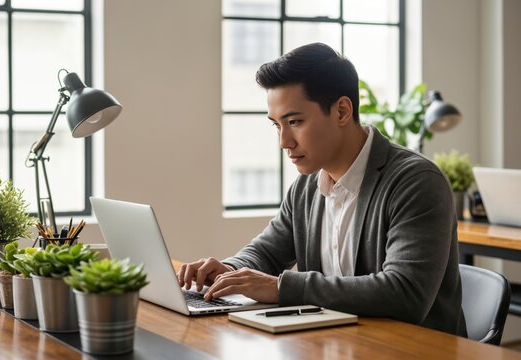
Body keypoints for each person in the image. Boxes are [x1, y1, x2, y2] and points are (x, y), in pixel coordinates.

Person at [177, 42, 466, 336]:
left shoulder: (416, 181)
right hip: (338, 343)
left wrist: (280, 287)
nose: (284, 141)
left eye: (294, 121)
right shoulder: (305, 187)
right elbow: (266, 253)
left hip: (412, 349)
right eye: (276, 125)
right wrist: (228, 271)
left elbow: (406, 294)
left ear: (341, 111)